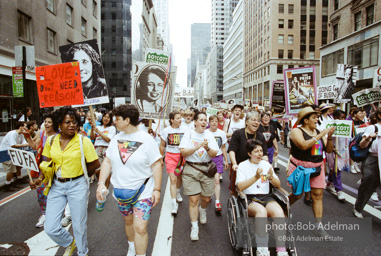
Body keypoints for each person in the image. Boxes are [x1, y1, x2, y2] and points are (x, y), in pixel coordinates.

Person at [96, 104, 162, 256]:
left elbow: (157, 165)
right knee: (128, 222)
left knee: (140, 228)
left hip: (143, 192)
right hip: (121, 192)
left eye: (117, 119)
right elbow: (107, 162)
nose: (114, 122)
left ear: (126, 120)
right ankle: (131, 246)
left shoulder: (146, 139)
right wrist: (100, 183)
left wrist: (157, 189)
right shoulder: (115, 139)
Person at [34, 107, 100, 256]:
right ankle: (70, 242)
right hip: (56, 186)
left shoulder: (84, 141)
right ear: (59, 124)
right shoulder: (51, 141)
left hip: (77, 185)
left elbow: (95, 164)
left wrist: (79, 176)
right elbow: (48, 163)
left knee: (79, 225)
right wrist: (39, 179)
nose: (72, 125)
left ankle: (83, 252)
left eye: (74, 122)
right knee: (50, 227)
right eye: (67, 122)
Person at [287, 107, 335, 238]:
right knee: (297, 195)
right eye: (314, 117)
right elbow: (303, 145)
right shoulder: (296, 131)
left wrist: (329, 138)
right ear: (306, 120)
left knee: (318, 195)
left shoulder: (319, 131)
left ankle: (318, 227)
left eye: (317, 117)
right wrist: (320, 135)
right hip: (301, 167)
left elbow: (329, 150)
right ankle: (281, 210)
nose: (317, 119)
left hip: (317, 167)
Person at [236, 139, 287, 256]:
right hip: (249, 198)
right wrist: (255, 177)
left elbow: (277, 184)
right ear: (249, 153)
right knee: (261, 211)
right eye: (256, 151)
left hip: (266, 197)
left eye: (261, 151)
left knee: (279, 212)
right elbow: (240, 187)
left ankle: (281, 249)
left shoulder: (266, 164)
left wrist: (270, 177)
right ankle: (262, 248)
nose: (260, 153)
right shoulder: (243, 166)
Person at [179, 112, 219, 241]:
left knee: (206, 199)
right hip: (191, 168)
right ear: (195, 122)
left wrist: (207, 148)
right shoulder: (188, 134)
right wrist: (196, 147)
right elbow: (183, 152)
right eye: (201, 120)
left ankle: (203, 210)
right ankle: (194, 226)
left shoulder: (209, 135)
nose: (203, 122)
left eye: (205, 120)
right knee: (193, 200)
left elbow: (214, 155)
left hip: (207, 169)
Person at [24, 113, 58, 228]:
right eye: (45, 122)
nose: (46, 124)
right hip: (43, 167)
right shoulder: (41, 133)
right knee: (41, 192)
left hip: (56, 167)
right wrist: (27, 136)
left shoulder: (59, 135)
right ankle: (44, 213)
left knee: (56, 192)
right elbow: (34, 146)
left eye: (49, 122)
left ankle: (57, 214)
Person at [228, 111, 269, 196]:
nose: (256, 122)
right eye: (253, 120)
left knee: (261, 185)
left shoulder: (260, 136)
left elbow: (264, 153)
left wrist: (267, 165)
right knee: (235, 190)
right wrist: (234, 164)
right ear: (246, 122)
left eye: (258, 120)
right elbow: (232, 150)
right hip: (239, 166)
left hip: (256, 166)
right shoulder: (238, 134)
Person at [353, 107, 381, 218]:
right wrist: (369, 138)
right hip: (373, 160)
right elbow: (362, 145)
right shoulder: (372, 128)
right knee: (368, 185)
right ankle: (358, 208)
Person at [159, 111, 187, 215]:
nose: (180, 120)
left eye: (180, 118)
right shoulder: (166, 131)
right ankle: (174, 203)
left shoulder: (185, 130)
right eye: (178, 118)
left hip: (182, 156)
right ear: (172, 120)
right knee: (173, 180)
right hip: (170, 156)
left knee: (179, 178)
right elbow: (162, 145)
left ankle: (178, 192)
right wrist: (160, 158)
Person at [90, 111, 116, 204]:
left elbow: (108, 139)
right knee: (97, 169)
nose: (106, 119)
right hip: (97, 148)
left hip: (106, 149)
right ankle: (100, 183)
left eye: (108, 117)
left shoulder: (112, 128)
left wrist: (98, 132)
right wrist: (93, 130)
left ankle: (106, 188)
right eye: (105, 117)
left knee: (106, 170)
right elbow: (92, 137)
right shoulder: (98, 127)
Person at [208, 115, 228, 212]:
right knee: (209, 180)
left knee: (216, 180)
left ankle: (217, 201)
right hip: (208, 158)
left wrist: (226, 160)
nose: (214, 123)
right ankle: (210, 193)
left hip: (218, 158)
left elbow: (223, 147)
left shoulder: (222, 133)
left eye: (216, 121)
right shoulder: (205, 133)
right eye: (212, 121)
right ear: (209, 123)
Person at [0, 121, 28, 192]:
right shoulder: (12, 134)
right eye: (25, 126)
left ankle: (18, 179)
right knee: (11, 170)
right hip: (6, 154)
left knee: (17, 166)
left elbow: (24, 142)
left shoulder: (21, 134)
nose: (26, 128)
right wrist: (24, 145)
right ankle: (8, 185)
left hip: (13, 153)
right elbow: (13, 144)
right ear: (21, 127)